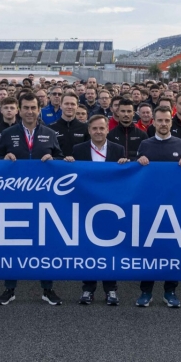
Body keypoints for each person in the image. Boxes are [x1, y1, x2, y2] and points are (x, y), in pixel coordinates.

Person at [0, 91, 64, 306]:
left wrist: (54, 159)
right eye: (25, 107)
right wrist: (4, 158)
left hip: (44, 198)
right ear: (19, 109)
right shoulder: (8, 134)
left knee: (45, 242)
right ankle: (9, 288)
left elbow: (61, 158)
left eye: (33, 107)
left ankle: (47, 288)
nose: (30, 111)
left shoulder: (50, 133)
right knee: (13, 242)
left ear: (38, 109)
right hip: (15, 197)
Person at [133, 106, 181, 308]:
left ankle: (170, 291)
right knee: (148, 250)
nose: (164, 124)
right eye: (160, 121)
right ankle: (146, 292)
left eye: (167, 120)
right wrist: (138, 161)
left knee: (171, 250)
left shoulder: (180, 144)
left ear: (171, 122)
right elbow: (136, 174)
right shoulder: (145, 144)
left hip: (174, 206)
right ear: (154, 122)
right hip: (149, 205)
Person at [69, 114, 128, 305]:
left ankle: (111, 289)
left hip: (110, 206)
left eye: (102, 128)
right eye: (94, 128)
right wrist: (67, 162)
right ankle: (88, 288)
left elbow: (123, 178)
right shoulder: (78, 150)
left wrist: (126, 166)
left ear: (107, 129)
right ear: (89, 130)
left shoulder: (118, 149)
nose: (98, 132)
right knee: (88, 248)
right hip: (86, 206)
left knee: (110, 247)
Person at [51, 92, 89, 159]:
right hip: (58, 167)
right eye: (66, 104)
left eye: (72, 104)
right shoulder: (51, 128)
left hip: (78, 167)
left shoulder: (86, 128)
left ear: (77, 106)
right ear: (60, 105)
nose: (69, 107)